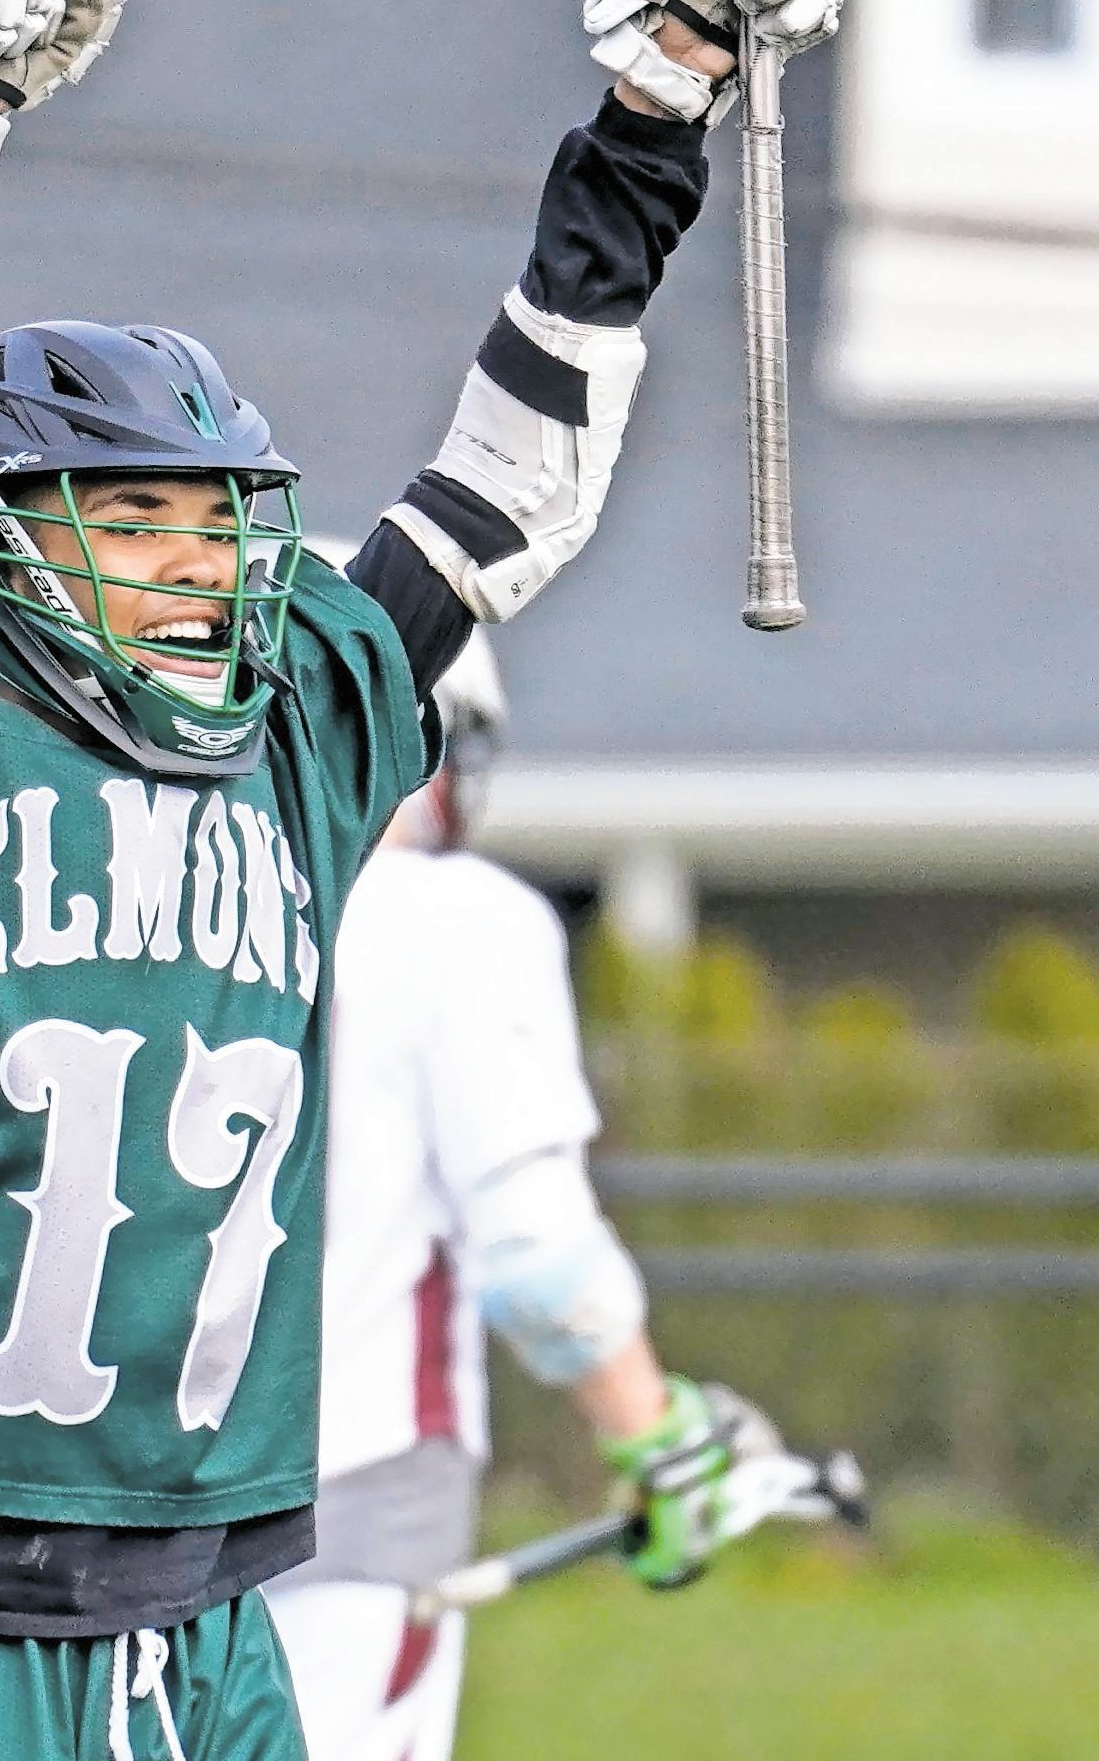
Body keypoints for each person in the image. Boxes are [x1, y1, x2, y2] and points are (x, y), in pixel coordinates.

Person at [0, 0, 843, 1761]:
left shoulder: (292, 744)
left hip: (206, 1601)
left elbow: (511, 488)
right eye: (132, 518)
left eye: (216, 521)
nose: (198, 567)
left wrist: (660, 95)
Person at [263, 632, 761, 1761]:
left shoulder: (110, 895)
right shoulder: (447, 920)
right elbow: (539, 1260)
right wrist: (655, 1433)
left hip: (71, 1528)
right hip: (342, 1499)